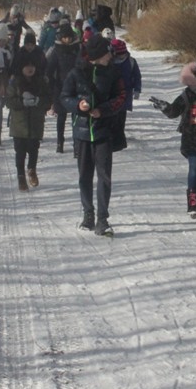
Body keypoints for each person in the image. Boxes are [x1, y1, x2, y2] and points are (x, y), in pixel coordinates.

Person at [60, 34, 126, 237]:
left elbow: (121, 97)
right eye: (108, 53)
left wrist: (103, 110)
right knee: (84, 176)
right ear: (98, 55)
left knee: (104, 177)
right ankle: (88, 214)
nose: (111, 57)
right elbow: (64, 97)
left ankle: (102, 219)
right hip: (81, 133)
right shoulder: (76, 73)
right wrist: (78, 106)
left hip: (104, 132)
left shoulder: (113, 73)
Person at [149, 57, 196, 218]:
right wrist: (165, 107)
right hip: (191, 138)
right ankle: (192, 200)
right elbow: (174, 111)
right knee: (194, 168)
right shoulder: (188, 95)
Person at [4, 47, 52, 190]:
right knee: (20, 151)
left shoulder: (42, 81)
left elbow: (48, 100)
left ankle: (32, 170)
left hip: (36, 122)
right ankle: (21, 177)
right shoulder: (15, 82)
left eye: (32, 66)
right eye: (27, 66)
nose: (30, 69)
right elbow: (9, 102)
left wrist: (38, 101)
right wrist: (22, 102)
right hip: (19, 124)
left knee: (33, 149)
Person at [46, 23, 81, 153]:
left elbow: (82, 66)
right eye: (65, 37)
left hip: (76, 87)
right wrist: (51, 86)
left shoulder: (77, 49)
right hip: (60, 87)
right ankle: (60, 142)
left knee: (76, 116)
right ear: (61, 37)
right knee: (61, 116)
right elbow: (49, 70)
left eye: (69, 37)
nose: (67, 40)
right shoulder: (56, 50)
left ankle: (76, 144)